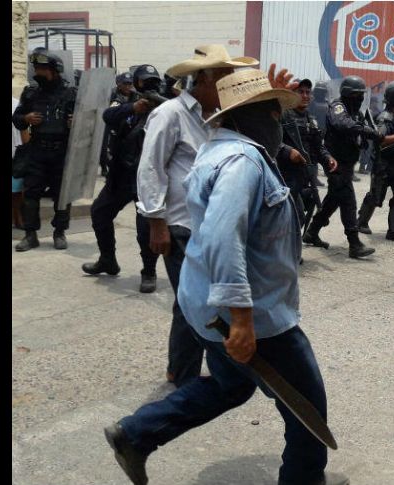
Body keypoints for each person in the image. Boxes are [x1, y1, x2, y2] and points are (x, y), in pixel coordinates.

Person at [104, 68, 349, 485]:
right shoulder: (242, 163)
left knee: (230, 385)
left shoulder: (222, 146)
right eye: (274, 115)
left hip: (205, 304)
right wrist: (241, 320)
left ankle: (136, 433)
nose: (280, 124)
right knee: (306, 406)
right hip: (250, 313)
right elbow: (221, 239)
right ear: (250, 117)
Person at [136, 44, 298, 386]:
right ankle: (183, 373)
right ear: (204, 78)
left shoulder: (222, 115)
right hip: (181, 222)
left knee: (200, 297)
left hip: (207, 220)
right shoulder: (171, 114)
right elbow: (150, 170)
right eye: (224, 75)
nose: (228, 82)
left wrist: (261, 95)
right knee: (189, 300)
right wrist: (156, 223)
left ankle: (211, 369)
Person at [81, 65, 164, 294]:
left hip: (146, 181)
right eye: (144, 82)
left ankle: (149, 272)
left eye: (152, 81)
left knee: (144, 229)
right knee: (100, 212)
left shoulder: (166, 110)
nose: (148, 86)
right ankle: (108, 260)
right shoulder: (129, 105)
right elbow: (108, 115)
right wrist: (133, 108)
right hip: (120, 176)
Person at [302, 75, 381, 259]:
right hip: (335, 163)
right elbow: (342, 123)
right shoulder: (338, 107)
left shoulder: (357, 113)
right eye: (358, 95)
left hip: (348, 164)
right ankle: (354, 243)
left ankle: (312, 231)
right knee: (348, 201)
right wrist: (365, 130)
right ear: (349, 95)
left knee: (333, 200)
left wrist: (369, 138)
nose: (361, 99)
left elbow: (359, 132)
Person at [12, 51, 77, 252]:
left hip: (62, 152)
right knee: (31, 194)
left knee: (62, 195)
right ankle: (30, 235)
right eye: (37, 68)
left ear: (55, 70)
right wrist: (26, 118)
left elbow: (88, 122)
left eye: (43, 69)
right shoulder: (31, 93)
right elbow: (17, 118)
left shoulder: (71, 93)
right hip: (37, 151)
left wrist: (75, 122)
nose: (38, 72)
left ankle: (59, 232)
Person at [277, 79, 337, 229]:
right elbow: (271, 142)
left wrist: (328, 158)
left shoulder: (311, 119)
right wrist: (288, 151)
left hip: (304, 176)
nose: (305, 95)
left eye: (307, 92)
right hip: (284, 177)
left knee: (305, 210)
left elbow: (317, 146)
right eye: (300, 92)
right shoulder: (283, 116)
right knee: (296, 218)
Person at [356, 80, 394, 243]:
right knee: (375, 196)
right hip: (384, 165)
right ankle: (361, 222)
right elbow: (381, 139)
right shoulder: (385, 118)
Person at [100, 72, 135, 177]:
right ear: (119, 85)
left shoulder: (135, 97)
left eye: (130, 84)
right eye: (125, 84)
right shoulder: (114, 97)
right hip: (115, 131)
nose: (128, 87)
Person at [12, 96, 27, 229]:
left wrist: (27, 150)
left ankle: (18, 218)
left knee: (16, 191)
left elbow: (24, 130)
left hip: (15, 154)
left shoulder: (17, 104)